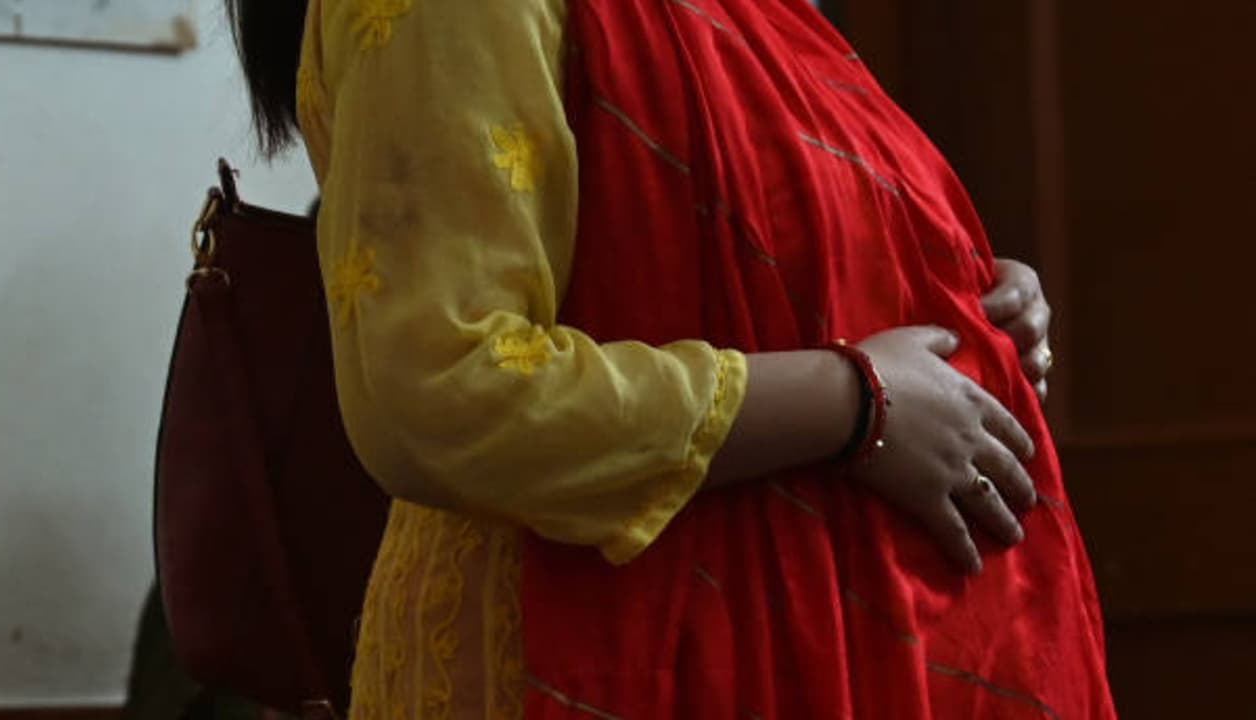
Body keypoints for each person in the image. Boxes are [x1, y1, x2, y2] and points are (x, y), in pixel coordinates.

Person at [224, 0, 1116, 717]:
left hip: (824, 642)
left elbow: (756, 246)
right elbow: (440, 390)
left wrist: (954, 287)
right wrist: (856, 401)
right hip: (594, 647)